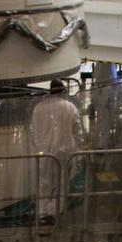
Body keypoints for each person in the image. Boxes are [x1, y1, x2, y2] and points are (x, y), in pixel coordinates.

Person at [30, 80, 84, 223]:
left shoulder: (38, 108)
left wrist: (38, 146)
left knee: (44, 181)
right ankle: (55, 212)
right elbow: (77, 131)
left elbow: (33, 131)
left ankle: (42, 212)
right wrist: (79, 150)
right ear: (63, 91)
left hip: (44, 151)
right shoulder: (70, 107)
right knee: (61, 182)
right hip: (64, 150)